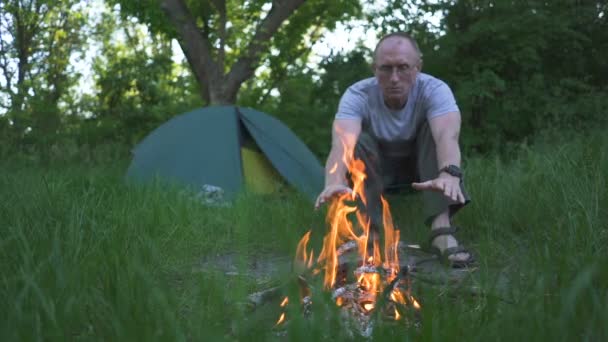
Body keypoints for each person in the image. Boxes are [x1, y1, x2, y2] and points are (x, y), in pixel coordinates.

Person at [314, 32, 474, 268]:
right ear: (374, 69)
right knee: (359, 141)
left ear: (418, 67)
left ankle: (442, 233)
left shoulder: (435, 90)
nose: (394, 78)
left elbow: (446, 136)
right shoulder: (357, 95)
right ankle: (372, 237)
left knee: (432, 131)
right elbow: (342, 145)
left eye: (403, 67)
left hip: (422, 167)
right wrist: (333, 182)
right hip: (376, 168)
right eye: (386, 69)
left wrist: (449, 174)